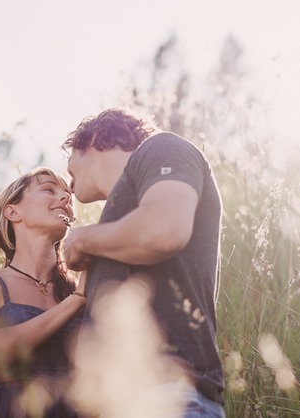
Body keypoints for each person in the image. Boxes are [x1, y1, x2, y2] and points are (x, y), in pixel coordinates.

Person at [62, 108, 225, 417]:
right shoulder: (117, 228)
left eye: (70, 163)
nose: (68, 185)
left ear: (94, 139)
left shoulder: (162, 147)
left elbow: (163, 231)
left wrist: (82, 239)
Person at [0, 167, 87, 418]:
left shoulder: (84, 283)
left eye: (67, 193)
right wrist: (76, 302)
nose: (67, 198)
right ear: (13, 212)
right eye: (49, 189)